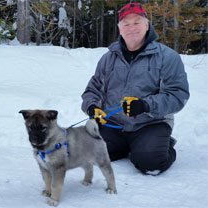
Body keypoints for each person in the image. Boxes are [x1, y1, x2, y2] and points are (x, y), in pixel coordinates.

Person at [81, 3, 190, 175]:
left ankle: (161, 144)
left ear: (147, 25)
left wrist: (146, 105)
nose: (131, 27)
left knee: (151, 162)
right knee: (90, 153)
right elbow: (92, 91)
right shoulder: (108, 59)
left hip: (151, 123)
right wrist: (92, 108)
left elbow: (178, 95)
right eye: (126, 23)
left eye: (137, 22)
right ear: (120, 29)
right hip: (115, 124)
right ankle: (127, 146)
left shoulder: (168, 57)